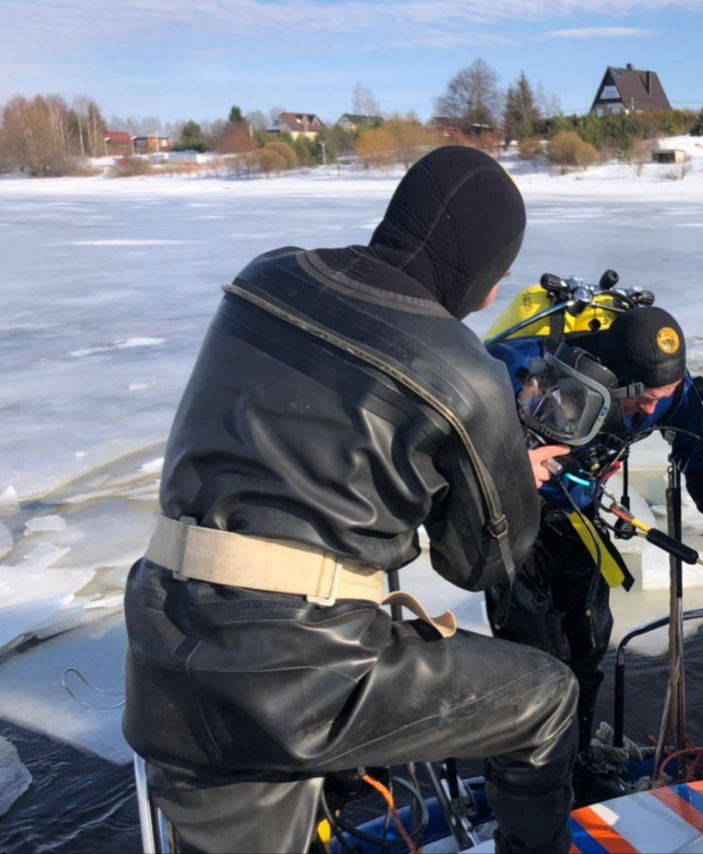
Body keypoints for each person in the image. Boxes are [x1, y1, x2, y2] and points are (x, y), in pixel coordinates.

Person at [122, 147, 580, 853]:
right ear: (485, 266)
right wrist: (505, 472)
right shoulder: (463, 370)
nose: (494, 295)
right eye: (500, 274)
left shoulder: (266, 275)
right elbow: (482, 564)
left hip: (162, 634)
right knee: (546, 697)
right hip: (299, 672)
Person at [486, 306, 703, 803]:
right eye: (641, 401)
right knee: (530, 655)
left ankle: (574, 761)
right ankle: (521, 780)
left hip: (577, 518)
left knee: (588, 639)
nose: (650, 412)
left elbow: (695, 440)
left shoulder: (665, 391)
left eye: (660, 400)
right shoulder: (517, 368)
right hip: (509, 521)